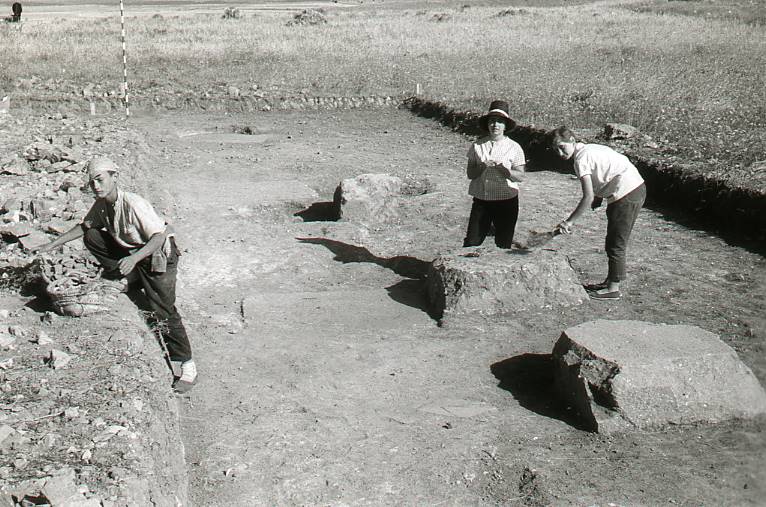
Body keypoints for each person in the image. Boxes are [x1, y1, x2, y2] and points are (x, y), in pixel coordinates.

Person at [33, 157, 198, 393]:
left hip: (158, 255)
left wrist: (132, 259)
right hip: (133, 253)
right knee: (92, 236)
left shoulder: (133, 204)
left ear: (115, 178)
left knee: (162, 308)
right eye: (92, 183)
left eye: (100, 180)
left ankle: (187, 364)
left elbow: (158, 237)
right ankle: (131, 278)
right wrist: (51, 245)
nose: (96, 187)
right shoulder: (102, 205)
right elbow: (84, 227)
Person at [550, 126, 646, 301]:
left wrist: (568, 222)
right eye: (555, 150)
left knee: (615, 242)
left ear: (572, 140)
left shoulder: (581, 160)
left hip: (626, 192)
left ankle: (613, 289)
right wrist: (599, 198)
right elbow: (605, 170)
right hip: (634, 187)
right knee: (613, 240)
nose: (559, 153)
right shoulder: (589, 148)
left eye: (562, 147)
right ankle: (611, 280)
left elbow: (587, 197)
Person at [463, 100, 526, 249]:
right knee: (472, 241)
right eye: (492, 121)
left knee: (503, 244)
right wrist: (482, 166)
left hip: (506, 201)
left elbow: (521, 176)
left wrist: (506, 171)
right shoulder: (477, 145)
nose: (495, 125)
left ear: (505, 125)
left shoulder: (514, 147)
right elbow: (470, 174)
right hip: (481, 200)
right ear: (487, 124)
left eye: (499, 121)